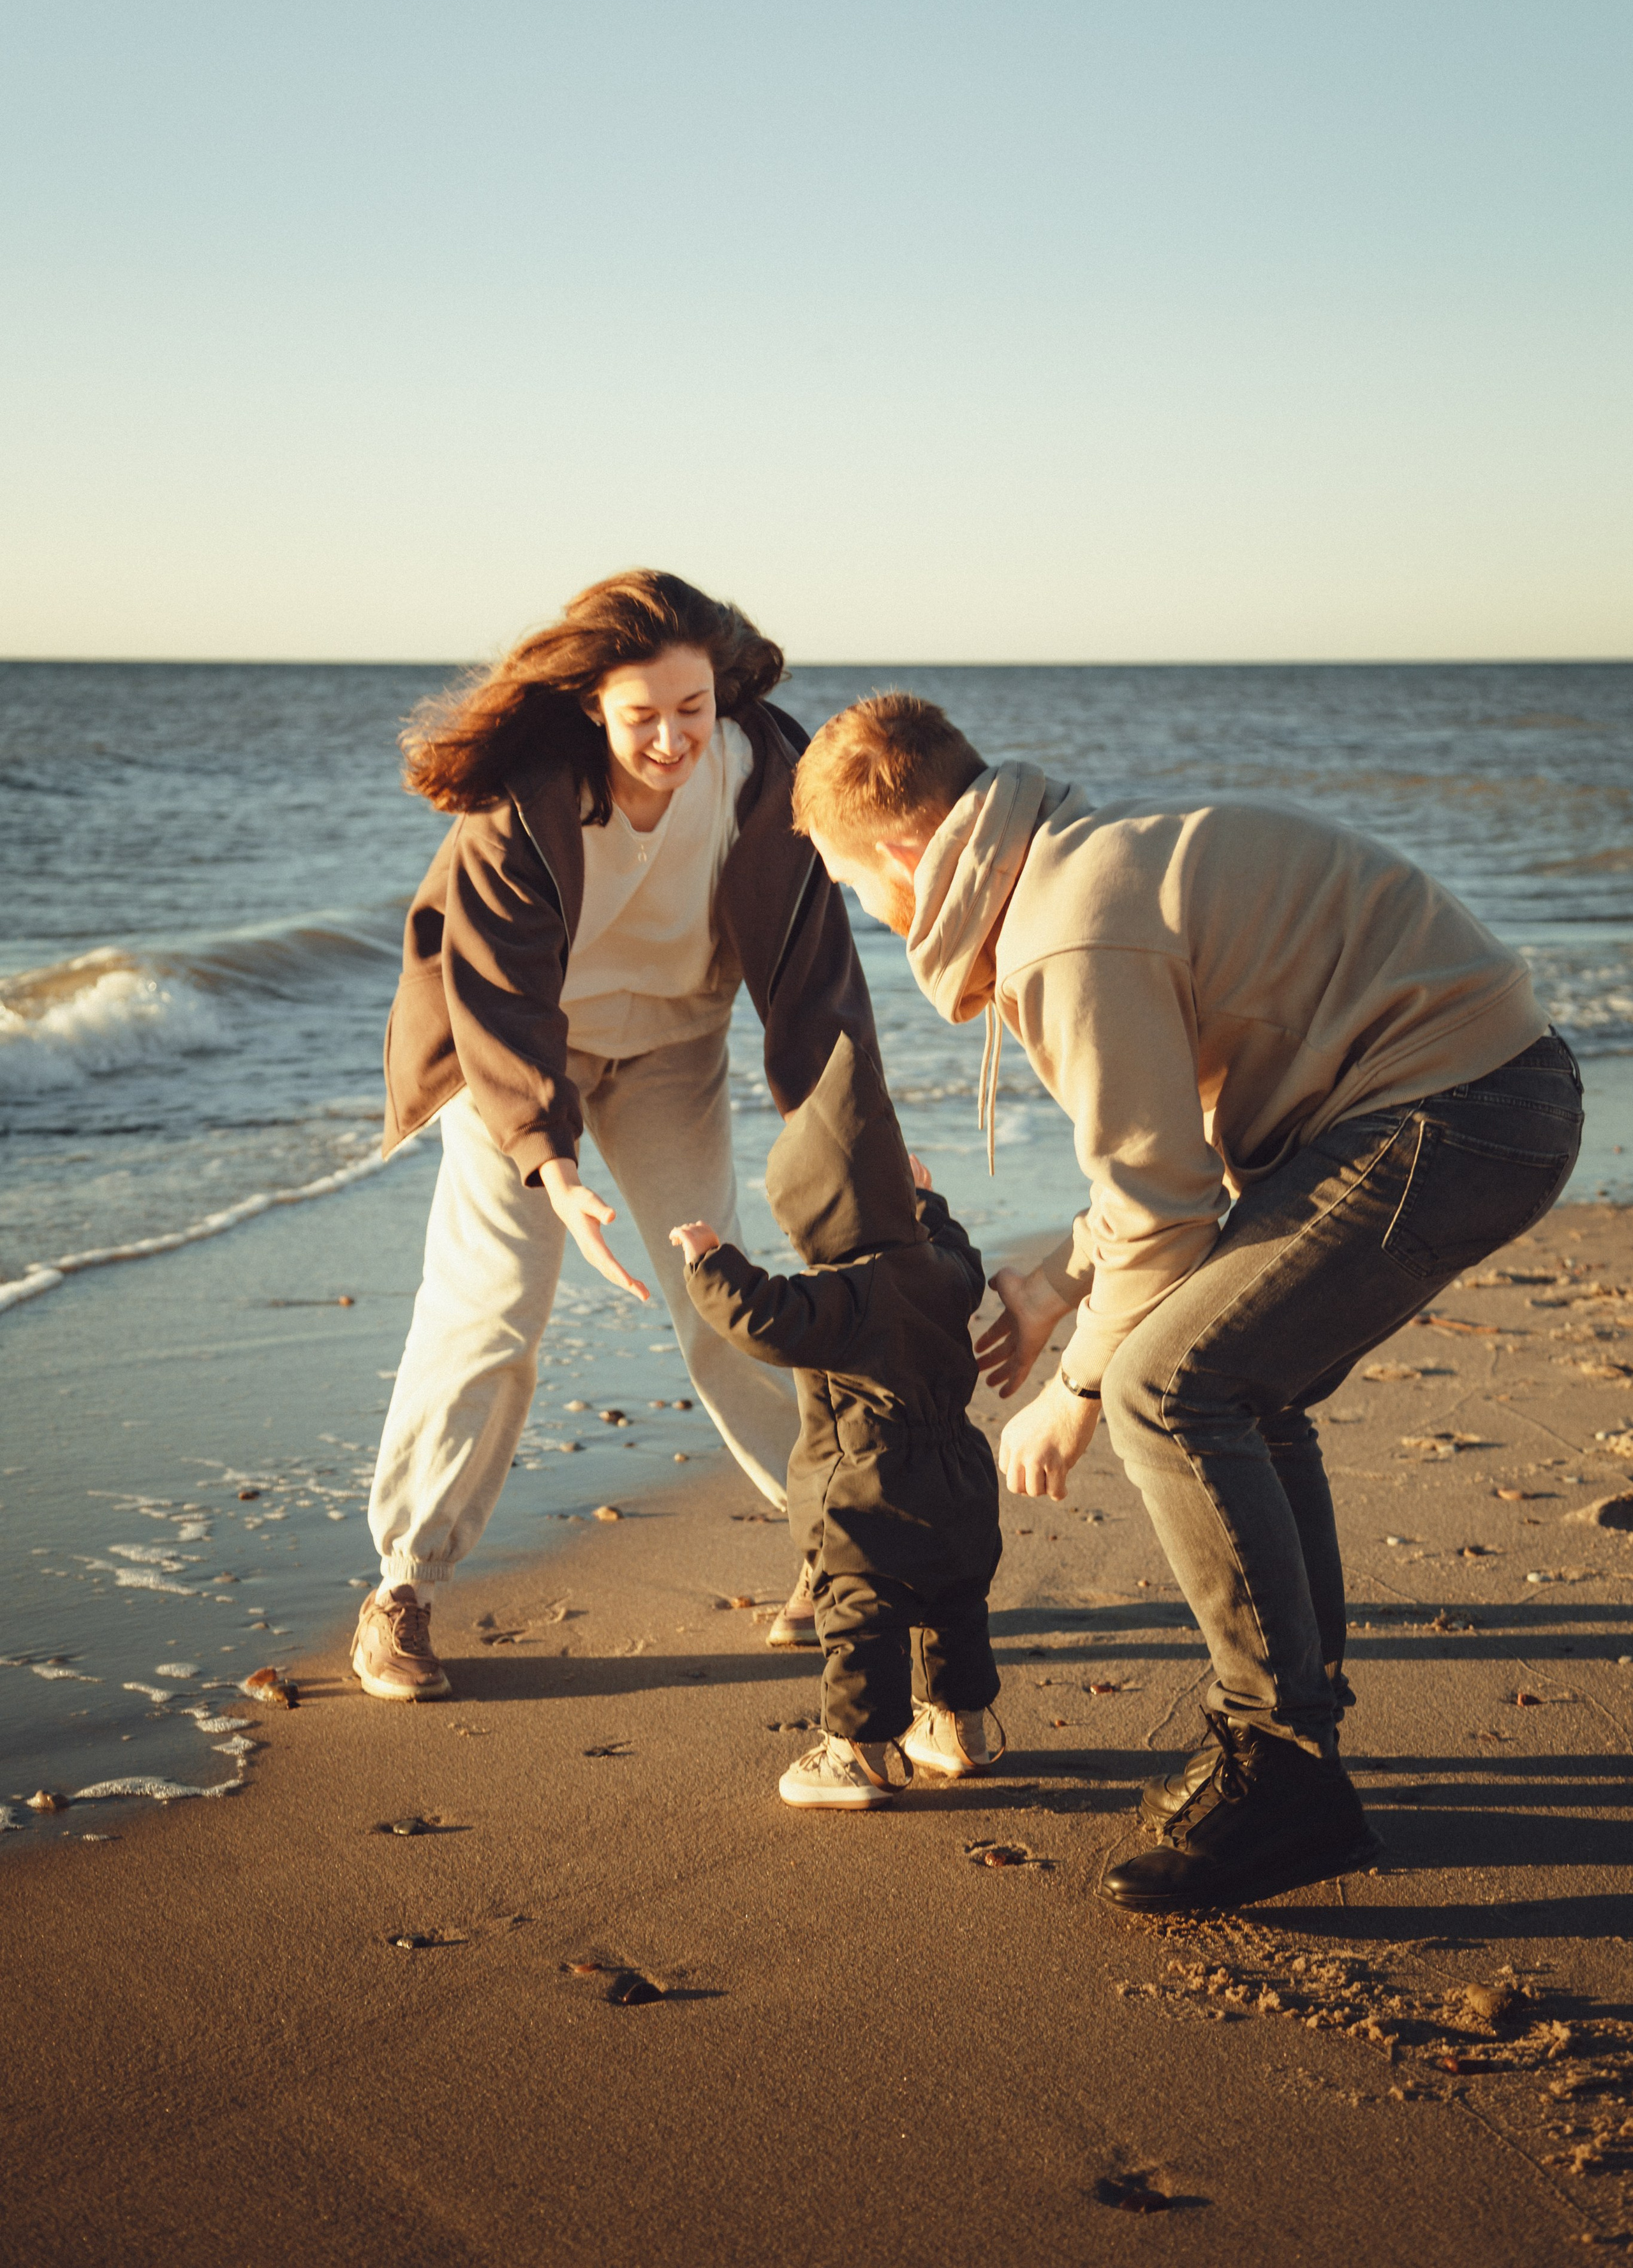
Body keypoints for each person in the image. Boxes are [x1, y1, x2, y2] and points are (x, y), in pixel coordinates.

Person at [788, 691, 1584, 1908]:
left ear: (902, 852)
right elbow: (1169, 1173)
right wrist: (1056, 1283)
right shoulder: (1074, 860)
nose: (865, 911)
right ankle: (1290, 1727)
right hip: (1474, 1093)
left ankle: (1283, 1763)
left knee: (1173, 1385)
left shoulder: (1067, 930)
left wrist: (1071, 1389)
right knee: (1245, 1385)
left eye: (850, 885)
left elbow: (1162, 1222)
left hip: (1457, 1108)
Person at [351, 571, 875, 1702]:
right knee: (490, 1311)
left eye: (694, 707)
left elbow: (811, 970)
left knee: (721, 1294)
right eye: (646, 716)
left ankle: (838, 1549)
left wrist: (854, 1135)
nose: (676, 737)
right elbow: (491, 996)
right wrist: (549, 1159)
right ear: (593, 702)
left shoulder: (761, 773)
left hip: (674, 1052)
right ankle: (403, 1589)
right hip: (518, 1064)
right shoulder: (520, 800)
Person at [671, 1032, 1003, 1809]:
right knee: (957, 1608)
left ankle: (859, 1753)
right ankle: (965, 1731)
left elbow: (762, 1317)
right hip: (959, 1482)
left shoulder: (842, 1295)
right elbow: (962, 1249)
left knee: (861, 1616)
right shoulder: (942, 1270)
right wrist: (928, 1202)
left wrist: (708, 1262)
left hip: (868, 1491)